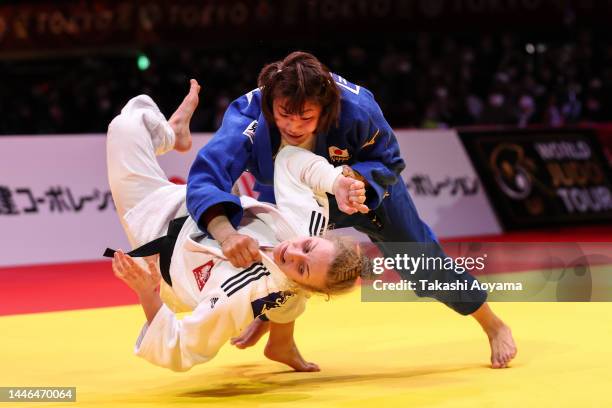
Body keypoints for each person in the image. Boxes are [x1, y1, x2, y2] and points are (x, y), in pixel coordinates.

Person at [186, 52, 517, 368]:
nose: (293, 126)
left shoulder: (357, 108)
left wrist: (356, 180)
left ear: (326, 108)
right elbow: (206, 176)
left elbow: (390, 161)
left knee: (423, 265)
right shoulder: (249, 116)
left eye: (306, 117)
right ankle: (281, 338)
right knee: (283, 259)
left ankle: (493, 324)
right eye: (284, 114)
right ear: (271, 102)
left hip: (363, 192)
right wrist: (225, 232)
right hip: (292, 190)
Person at [106, 80, 369, 372]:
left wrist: (146, 292)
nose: (293, 252)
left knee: (123, 128)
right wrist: (335, 180)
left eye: (302, 267)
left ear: (305, 284)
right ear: (321, 237)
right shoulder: (307, 226)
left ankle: (282, 338)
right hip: (195, 202)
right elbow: (291, 160)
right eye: (308, 247)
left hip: (156, 225)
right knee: (139, 112)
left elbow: (179, 351)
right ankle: (171, 133)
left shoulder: (240, 295)